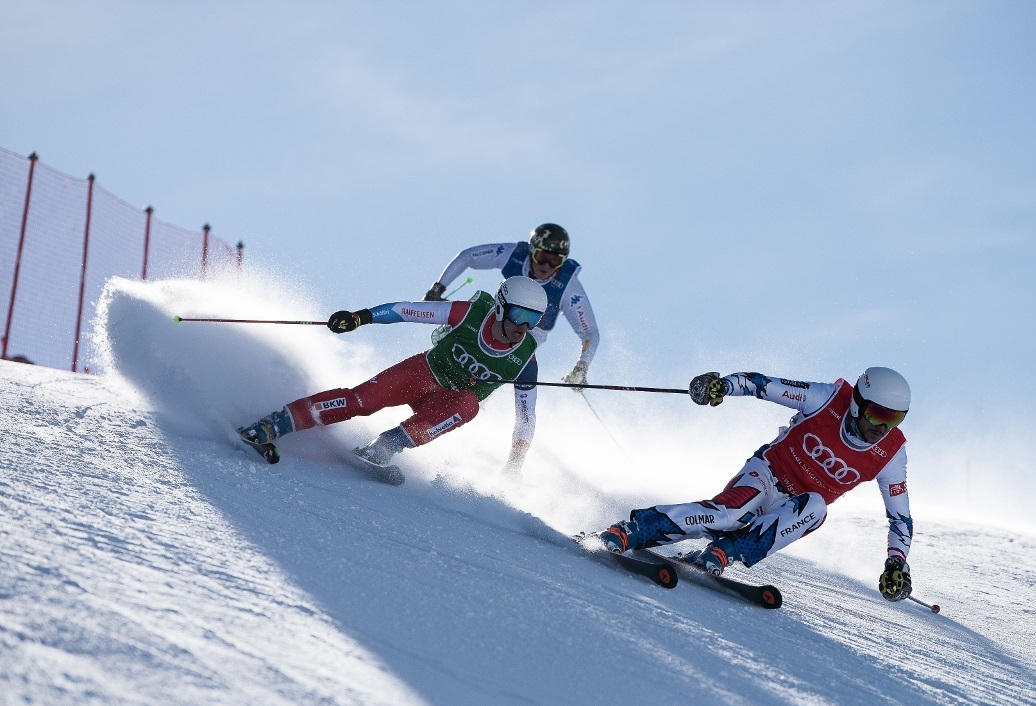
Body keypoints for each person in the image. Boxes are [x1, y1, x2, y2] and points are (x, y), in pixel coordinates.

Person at [598, 367, 916, 603]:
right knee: (729, 515)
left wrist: (896, 564)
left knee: (816, 508)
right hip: (766, 475)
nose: (883, 427)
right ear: (858, 404)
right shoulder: (827, 399)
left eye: (895, 419)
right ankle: (634, 531)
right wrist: (721, 385)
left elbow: (900, 519)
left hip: (793, 506)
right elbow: (761, 385)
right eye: (878, 415)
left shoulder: (890, 454)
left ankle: (727, 551)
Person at [237, 276, 547, 483]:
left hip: (445, 401)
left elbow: (527, 416)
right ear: (501, 306)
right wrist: (360, 317)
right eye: (520, 315)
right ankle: (274, 424)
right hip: (422, 373)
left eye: (534, 320)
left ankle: (385, 445)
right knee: (362, 401)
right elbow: (407, 311)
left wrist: (516, 462)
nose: (524, 327)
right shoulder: (469, 313)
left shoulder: (524, 360)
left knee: (469, 404)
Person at [422, 223, 600, 474]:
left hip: (521, 349)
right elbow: (468, 256)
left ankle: (514, 466)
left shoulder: (568, 287)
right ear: (531, 251)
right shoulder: (513, 254)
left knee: (522, 407)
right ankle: (423, 401)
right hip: (491, 326)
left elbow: (590, 333)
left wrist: (581, 367)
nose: (546, 267)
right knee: (454, 358)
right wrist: (438, 288)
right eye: (542, 257)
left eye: (555, 261)